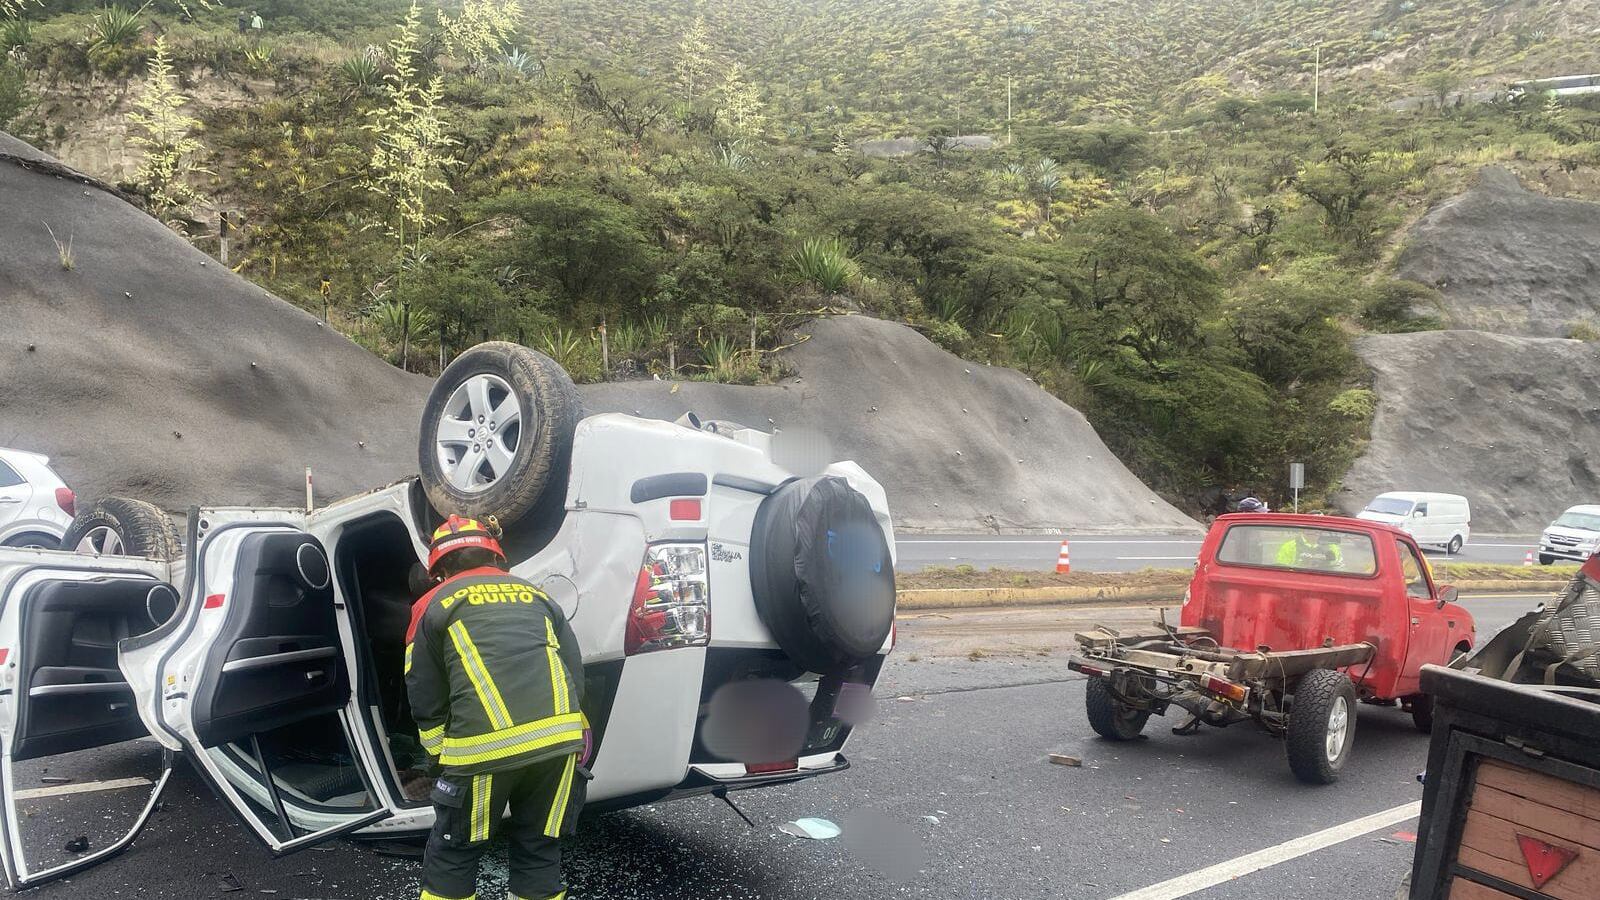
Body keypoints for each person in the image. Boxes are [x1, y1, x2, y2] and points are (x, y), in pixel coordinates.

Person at [406, 515, 589, 900]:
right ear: (496, 555)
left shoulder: (432, 603)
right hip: (559, 747)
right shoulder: (537, 595)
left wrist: (437, 756)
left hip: (482, 751)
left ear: (438, 568)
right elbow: (574, 670)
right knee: (539, 849)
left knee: (455, 851)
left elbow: (424, 688)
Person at [1276, 529, 1342, 569]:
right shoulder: (1289, 546)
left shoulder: (1332, 547)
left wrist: (1325, 560)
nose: (1313, 532)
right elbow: (1281, 568)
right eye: (1310, 530)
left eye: (1317, 530)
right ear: (1303, 530)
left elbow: (1339, 567)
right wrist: (1302, 565)